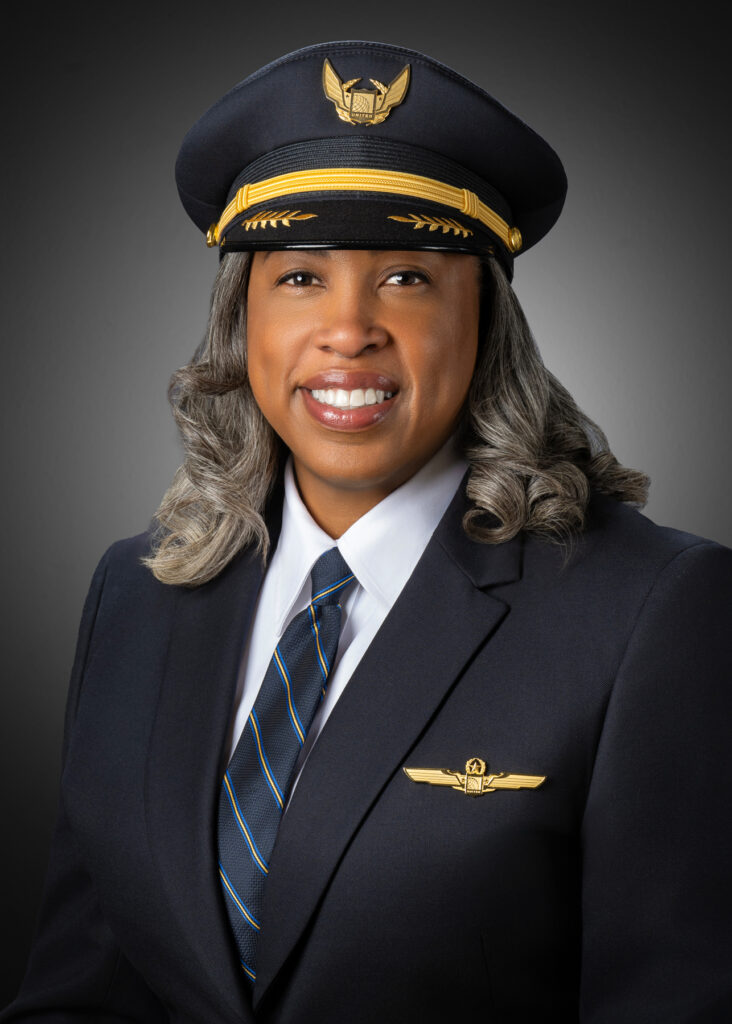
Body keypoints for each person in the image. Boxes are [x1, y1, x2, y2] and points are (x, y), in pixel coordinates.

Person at [3, 39, 731, 1024]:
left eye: (407, 277)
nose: (348, 330)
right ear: (241, 321)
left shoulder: (654, 613)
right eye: (301, 277)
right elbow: (78, 994)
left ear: (486, 322)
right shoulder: (137, 592)